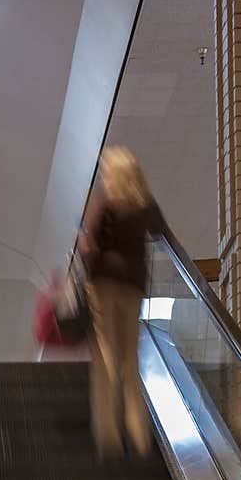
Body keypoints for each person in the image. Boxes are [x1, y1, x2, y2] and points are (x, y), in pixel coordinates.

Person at [78, 147, 167, 461]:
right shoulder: (146, 206)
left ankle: (110, 437)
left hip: (103, 286)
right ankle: (140, 437)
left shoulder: (106, 206)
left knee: (105, 359)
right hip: (133, 288)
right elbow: (166, 237)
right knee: (130, 361)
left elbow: (90, 248)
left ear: (113, 175)